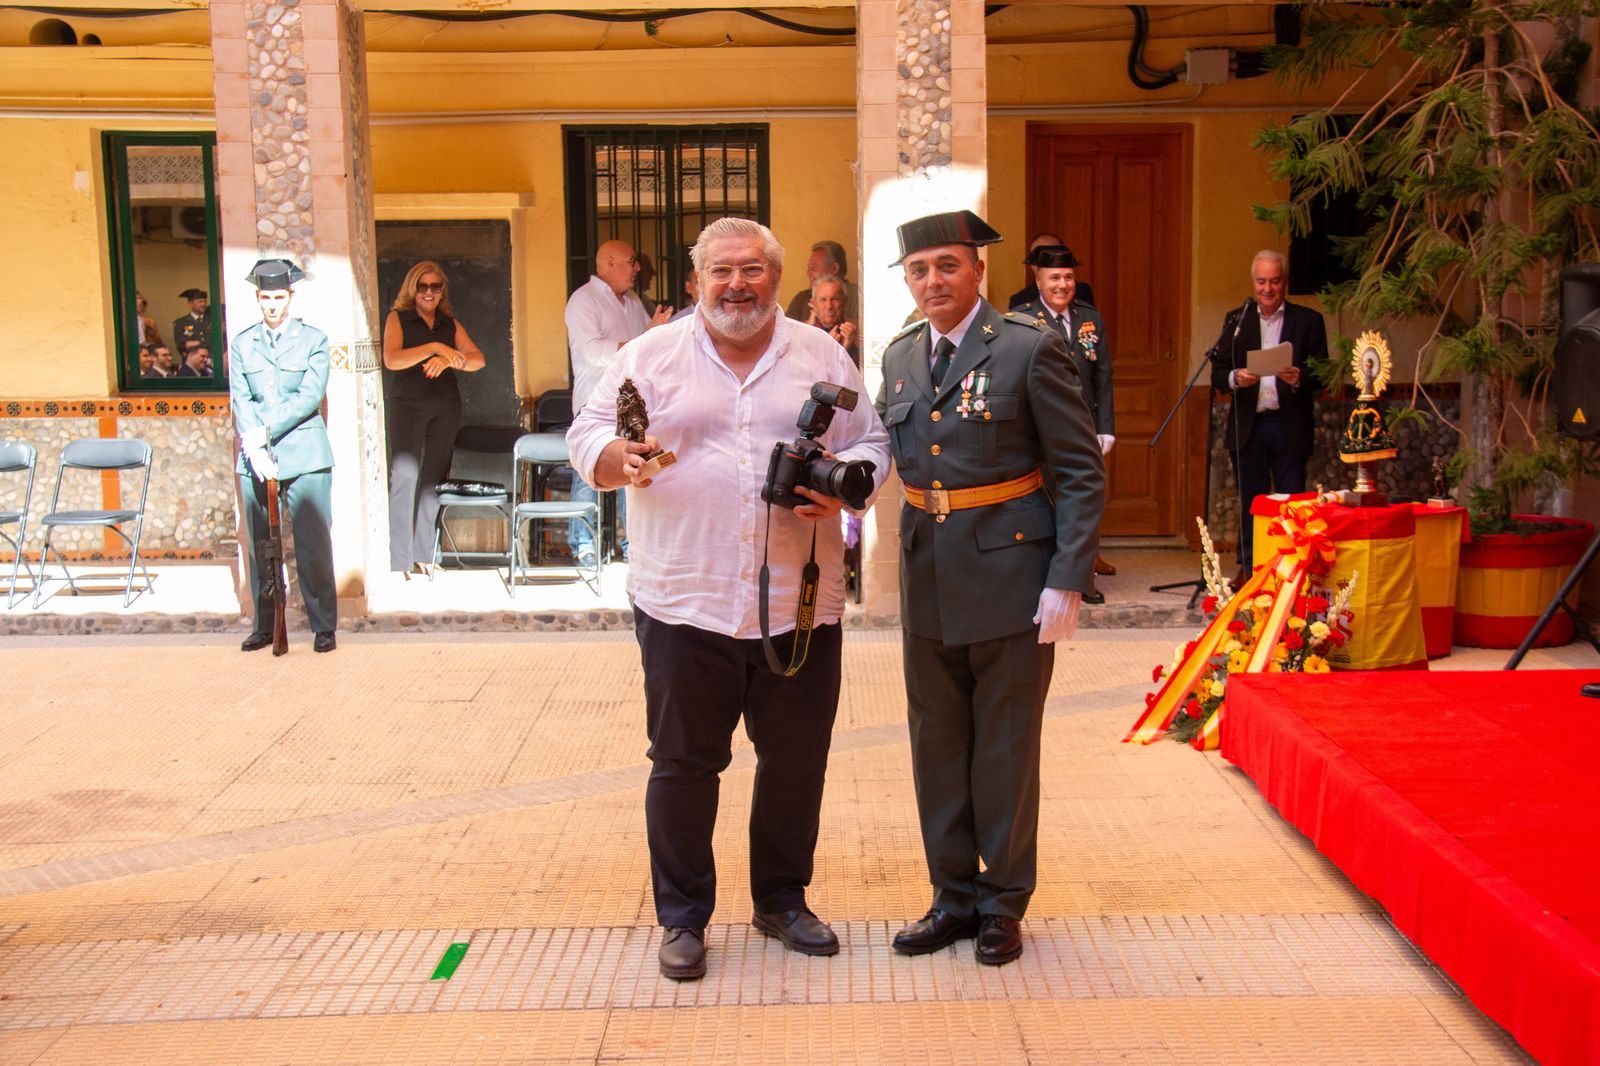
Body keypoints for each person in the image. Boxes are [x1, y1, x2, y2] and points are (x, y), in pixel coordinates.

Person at [567, 216, 890, 982]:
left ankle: (782, 901)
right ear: (697, 280)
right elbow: (587, 433)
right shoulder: (648, 356)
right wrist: (616, 458)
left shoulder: (821, 353)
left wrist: (848, 486)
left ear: (776, 278)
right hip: (683, 599)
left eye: (752, 269)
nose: (736, 284)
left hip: (799, 606)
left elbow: (872, 443)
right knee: (683, 763)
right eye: (721, 270)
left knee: (796, 762)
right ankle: (682, 917)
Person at [876, 210, 1105, 966]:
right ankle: (951, 897)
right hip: (928, 577)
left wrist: (1066, 578)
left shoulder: (1027, 348)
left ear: (978, 270)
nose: (933, 281)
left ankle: (1003, 902)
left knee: (1003, 749)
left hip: (1012, 578)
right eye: (919, 270)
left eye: (947, 265)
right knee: (937, 746)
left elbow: (1079, 472)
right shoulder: (900, 355)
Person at [229, 258, 338, 654]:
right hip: (255, 455)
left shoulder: (313, 340)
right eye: (265, 298)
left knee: (313, 544)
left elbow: (309, 396)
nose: (272, 305)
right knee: (260, 545)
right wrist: (252, 442)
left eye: (278, 297)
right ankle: (264, 625)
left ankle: (323, 625)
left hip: (304, 452)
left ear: (290, 297)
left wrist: (265, 431)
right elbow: (241, 397)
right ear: (257, 299)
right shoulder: (243, 343)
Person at [1207, 249, 1325, 583]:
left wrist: (1298, 377)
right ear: (1253, 283)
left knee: (1291, 501)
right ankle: (1248, 568)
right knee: (1251, 501)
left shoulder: (1308, 321)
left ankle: (1291, 570)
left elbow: (1323, 375)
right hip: (1250, 424)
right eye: (1261, 282)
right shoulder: (1237, 320)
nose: (1267, 289)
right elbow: (1218, 371)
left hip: (1290, 424)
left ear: (1285, 282)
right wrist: (1236, 378)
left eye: (1274, 281)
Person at [1014, 245, 1116, 599]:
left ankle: (1082, 581)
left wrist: (1105, 427)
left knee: (1083, 505)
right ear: (1038, 281)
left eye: (1069, 277)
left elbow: (1103, 375)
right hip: (1039, 430)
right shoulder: (1022, 319)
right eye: (1055, 277)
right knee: (1044, 504)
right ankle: (1043, 579)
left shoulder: (1090, 317)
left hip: (1083, 428)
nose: (1063, 284)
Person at [564, 239, 673, 567]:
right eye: (631, 261)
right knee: (588, 473)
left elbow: (645, 349)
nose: (637, 267)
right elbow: (593, 352)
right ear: (609, 263)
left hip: (631, 405)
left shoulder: (633, 301)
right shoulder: (583, 300)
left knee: (632, 471)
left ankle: (630, 546)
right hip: (595, 404)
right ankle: (583, 546)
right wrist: (644, 336)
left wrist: (653, 336)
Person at [382, 261, 486, 576]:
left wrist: (449, 360)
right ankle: (399, 559)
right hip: (408, 404)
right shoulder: (398, 317)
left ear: (442, 291)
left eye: (435, 286)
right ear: (412, 288)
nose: (428, 292)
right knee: (404, 475)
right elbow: (392, 359)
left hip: (445, 404)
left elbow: (478, 360)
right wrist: (434, 348)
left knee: (434, 479)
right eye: (422, 286)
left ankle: (425, 554)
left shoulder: (448, 322)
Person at [1006, 232, 1097, 311]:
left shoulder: (1081, 292)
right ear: (1031, 265)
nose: (1046, 262)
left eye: (1054, 256)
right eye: (1038, 257)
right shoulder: (1020, 300)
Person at [783, 240, 859, 329]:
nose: (808, 272)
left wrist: (838, 321)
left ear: (834, 268)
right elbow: (785, 331)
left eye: (813, 267)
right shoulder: (802, 298)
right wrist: (808, 325)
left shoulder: (858, 295)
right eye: (822, 299)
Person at [807, 275, 858, 366]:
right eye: (823, 300)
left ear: (844, 301)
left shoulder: (855, 333)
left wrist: (849, 346)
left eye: (835, 299)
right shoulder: (805, 333)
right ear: (813, 303)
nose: (829, 306)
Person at [173, 288, 211, 352]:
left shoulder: (211, 320)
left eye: (205, 301)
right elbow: (180, 346)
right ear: (190, 303)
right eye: (200, 302)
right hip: (193, 355)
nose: (203, 304)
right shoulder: (181, 323)